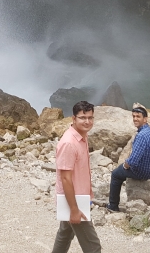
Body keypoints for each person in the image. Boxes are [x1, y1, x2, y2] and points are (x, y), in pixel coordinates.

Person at [51, 101, 102, 253]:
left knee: (65, 235)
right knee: (93, 247)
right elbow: (65, 178)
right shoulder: (69, 143)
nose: (87, 121)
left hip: (79, 197)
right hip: (74, 201)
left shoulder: (82, 136)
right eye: (83, 118)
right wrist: (74, 209)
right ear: (73, 119)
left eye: (90, 118)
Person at [107, 103, 150, 212]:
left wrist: (124, 165)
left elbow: (133, 161)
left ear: (145, 119)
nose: (135, 119)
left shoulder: (141, 136)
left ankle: (113, 206)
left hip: (144, 172)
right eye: (134, 116)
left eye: (138, 117)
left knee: (115, 175)